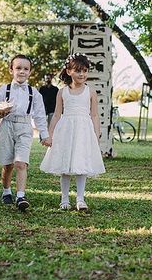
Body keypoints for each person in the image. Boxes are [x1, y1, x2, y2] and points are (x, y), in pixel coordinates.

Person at [40, 53, 105, 210]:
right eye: (78, 70)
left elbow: (95, 115)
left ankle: (80, 199)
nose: (82, 74)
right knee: (66, 164)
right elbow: (56, 115)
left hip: (84, 130)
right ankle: (64, 199)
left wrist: (96, 135)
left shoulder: (90, 92)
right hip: (66, 130)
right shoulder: (62, 92)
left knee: (81, 163)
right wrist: (49, 134)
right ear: (69, 71)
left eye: (85, 70)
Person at [0, 54, 50, 211]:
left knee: (21, 163)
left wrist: (44, 134)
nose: (22, 71)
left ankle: (21, 196)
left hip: (25, 127)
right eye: (18, 68)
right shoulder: (5, 89)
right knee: (8, 164)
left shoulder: (34, 93)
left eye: (26, 69)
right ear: (11, 70)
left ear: (29, 72)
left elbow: (39, 115)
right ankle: (6, 191)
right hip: (7, 125)